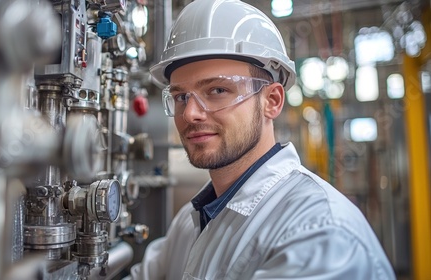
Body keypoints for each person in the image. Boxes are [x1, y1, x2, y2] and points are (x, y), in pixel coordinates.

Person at [130, 0, 396, 279]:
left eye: (218, 90)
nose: (191, 113)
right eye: (181, 96)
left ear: (272, 101)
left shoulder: (320, 234)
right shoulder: (190, 222)